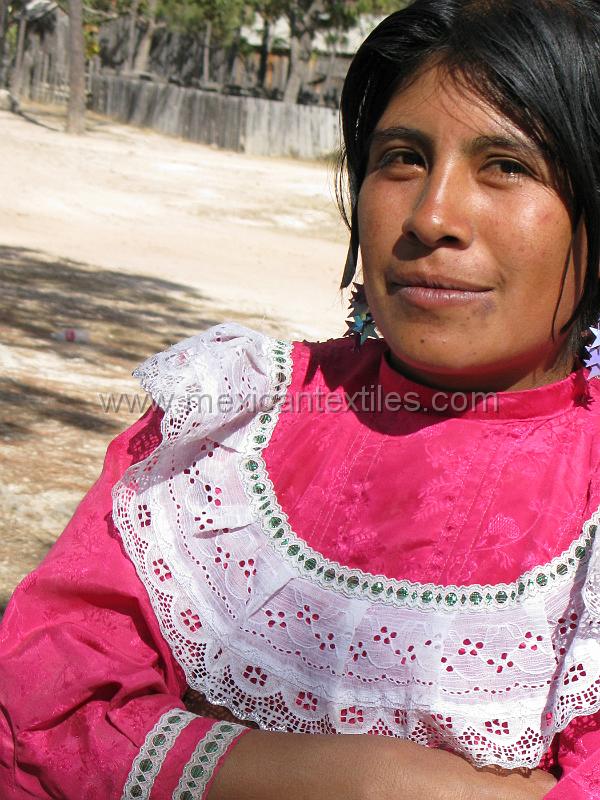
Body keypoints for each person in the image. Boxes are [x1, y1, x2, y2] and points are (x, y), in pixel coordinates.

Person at [2, 0, 600, 797]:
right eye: (401, 158)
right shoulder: (231, 424)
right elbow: (41, 710)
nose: (431, 216)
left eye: (508, 166)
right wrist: (385, 780)